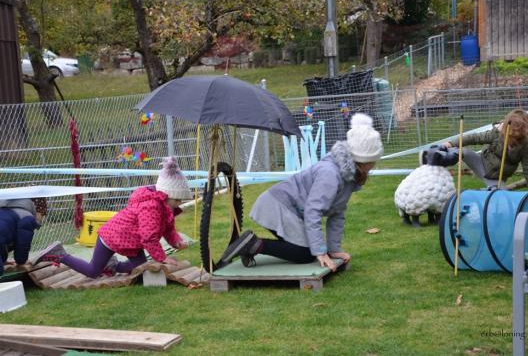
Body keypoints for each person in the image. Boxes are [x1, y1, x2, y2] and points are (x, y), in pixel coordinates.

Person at [221, 113, 384, 272]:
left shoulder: (348, 177)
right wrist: (320, 251)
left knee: (309, 249)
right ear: (364, 160)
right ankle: (252, 244)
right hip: (277, 205)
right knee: (306, 253)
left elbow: (337, 214)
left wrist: (333, 250)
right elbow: (313, 211)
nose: (375, 163)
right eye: (374, 160)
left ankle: (250, 247)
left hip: (290, 210)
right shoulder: (330, 174)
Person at [34, 157, 192, 278]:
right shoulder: (151, 207)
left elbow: (168, 228)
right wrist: (162, 257)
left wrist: (176, 241)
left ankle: (111, 266)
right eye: (176, 200)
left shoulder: (165, 207)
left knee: (142, 269)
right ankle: (60, 254)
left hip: (131, 242)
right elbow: (149, 237)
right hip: (112, 237)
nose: (178, 204)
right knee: (93, 271)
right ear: (164, 195)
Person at [443, 109, 528, 191]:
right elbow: (474, 138)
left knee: (499, 197)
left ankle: (486, 193)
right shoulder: (496, 134)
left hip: (496, 178)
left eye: (518, 133)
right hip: (481, 163)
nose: (515, 135)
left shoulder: (525, 147)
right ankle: (438, 166)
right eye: (513, 132)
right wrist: (451, 144)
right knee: (462, 151)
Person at [0, 197, 47, 276]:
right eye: (42, 214)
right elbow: (22, 243)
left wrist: (3, 260)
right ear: (34, 207)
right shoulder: (27, 218)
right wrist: (21, 261)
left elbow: (3, 240)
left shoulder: (4, 212)